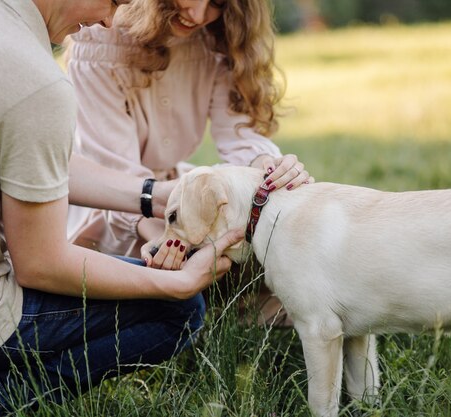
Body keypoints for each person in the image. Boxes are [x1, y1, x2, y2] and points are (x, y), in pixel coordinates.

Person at [0, 0, 242, 416]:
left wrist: (153, 194)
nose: (110, 21)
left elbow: (25, 151)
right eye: (114, 2)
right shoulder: (33, 80)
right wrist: (176, 285)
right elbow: (41, 264)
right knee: (180, 313)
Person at [65, 0, 313, 323]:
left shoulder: (218, 38)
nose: (197, 15)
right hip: (110, 204)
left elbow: (239, 137)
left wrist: (268, 168)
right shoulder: (100, 40)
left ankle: (237, 307)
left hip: (172, 191)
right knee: (173, 269)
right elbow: (119, 177)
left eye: (217, 4)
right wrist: (170, 233)